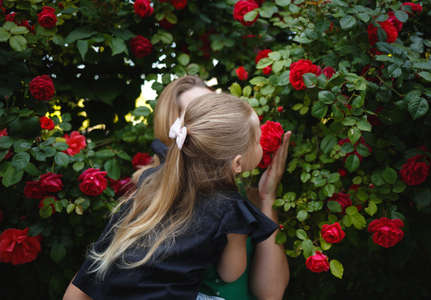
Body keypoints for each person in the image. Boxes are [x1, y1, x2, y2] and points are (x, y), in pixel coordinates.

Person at [63, 93, 282, 300]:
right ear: (236, 163)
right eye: (257, 140)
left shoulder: (151, 184)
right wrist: (238, 238)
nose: (260, 145)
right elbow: (231, 273)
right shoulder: (230, 208)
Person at [133, 76, 290, 300]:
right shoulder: (150, 190)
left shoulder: (240, 195)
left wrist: (267, 198)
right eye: (198, 111)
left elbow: (271, 293)